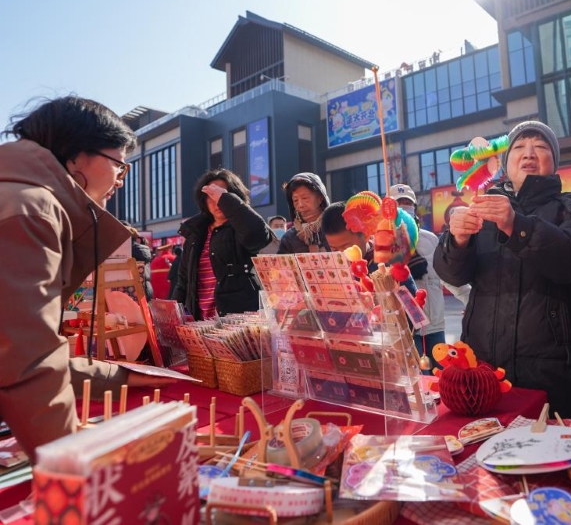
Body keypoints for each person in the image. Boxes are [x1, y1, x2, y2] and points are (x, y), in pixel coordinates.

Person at [0, 96, 174, 460]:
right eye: (119, 166)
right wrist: (74, 468)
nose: (120, 181)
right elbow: (25, 358)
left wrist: (119, 377)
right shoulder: (32, 209)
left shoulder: (20, 197)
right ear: (77, 155)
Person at [434, 121, 571, 419]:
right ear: (505, 162)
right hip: (482, 373)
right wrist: (457, 240)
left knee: (554, 443)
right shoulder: (483, 208)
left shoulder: (570, 207)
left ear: (554, 162)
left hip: (552, 374)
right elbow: (453, 275)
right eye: (519, 147)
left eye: (540, 147)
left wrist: (517, 225)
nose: (529, 154)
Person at [172, 169, 272, 321]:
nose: (217, 201)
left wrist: (226, 199)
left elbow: (257, 235)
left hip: (238, 321)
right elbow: (183, 281)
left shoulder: (242, 227)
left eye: (222, 194)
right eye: (211, 195)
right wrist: (172, 317)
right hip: (200, 322)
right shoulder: (195, 232)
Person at [388, 184, 470, 369]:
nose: (403, 206)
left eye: (407, 202)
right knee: (419, 379)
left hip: (435, 325)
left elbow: (447, 274)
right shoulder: (384, 241)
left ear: (414, 207)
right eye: (398, 203)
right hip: (407, 329)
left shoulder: (430, 239)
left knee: (442, 375)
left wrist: (472, 300)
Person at [320, 202, 417, 296]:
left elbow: (413, 302)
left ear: (366, 235)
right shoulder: (333, 269)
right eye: (334, 249)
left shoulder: (390, 261)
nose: (342, 255)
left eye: (346, 247)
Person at [278, 173, 330, 254]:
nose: (300, 205)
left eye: (305, 198)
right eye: (295, 200)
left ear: (320, 198)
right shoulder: (289, 238)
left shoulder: (336, 227)